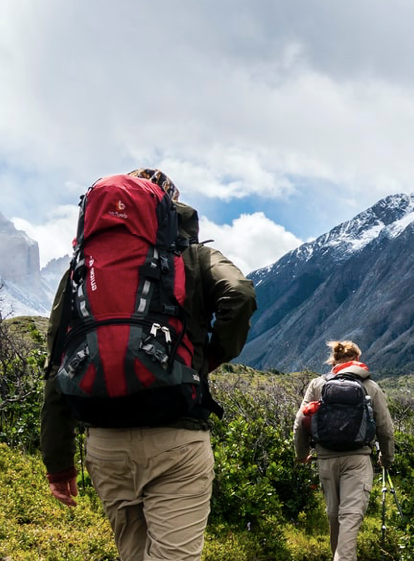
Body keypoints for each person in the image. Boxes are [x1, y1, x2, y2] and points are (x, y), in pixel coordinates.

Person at [40, 168, 257, 561]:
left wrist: (58, 463)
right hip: (176, 439)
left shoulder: (80, 270)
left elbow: (58, 362)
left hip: (104, 445)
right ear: (168, 210)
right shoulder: (193, 257)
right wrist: (211, 357)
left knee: (133, 554)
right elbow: (239, 295)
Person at [293, 341, 395, 561]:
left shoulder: (317, 385)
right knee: (349, 517)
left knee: (334, 517)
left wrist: (302, 455)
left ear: (333, 361)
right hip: (357, 460)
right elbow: (385, 428)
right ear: (357, 360)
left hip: (326, 459)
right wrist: (386, 459)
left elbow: (300, 423)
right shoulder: (371, 387)